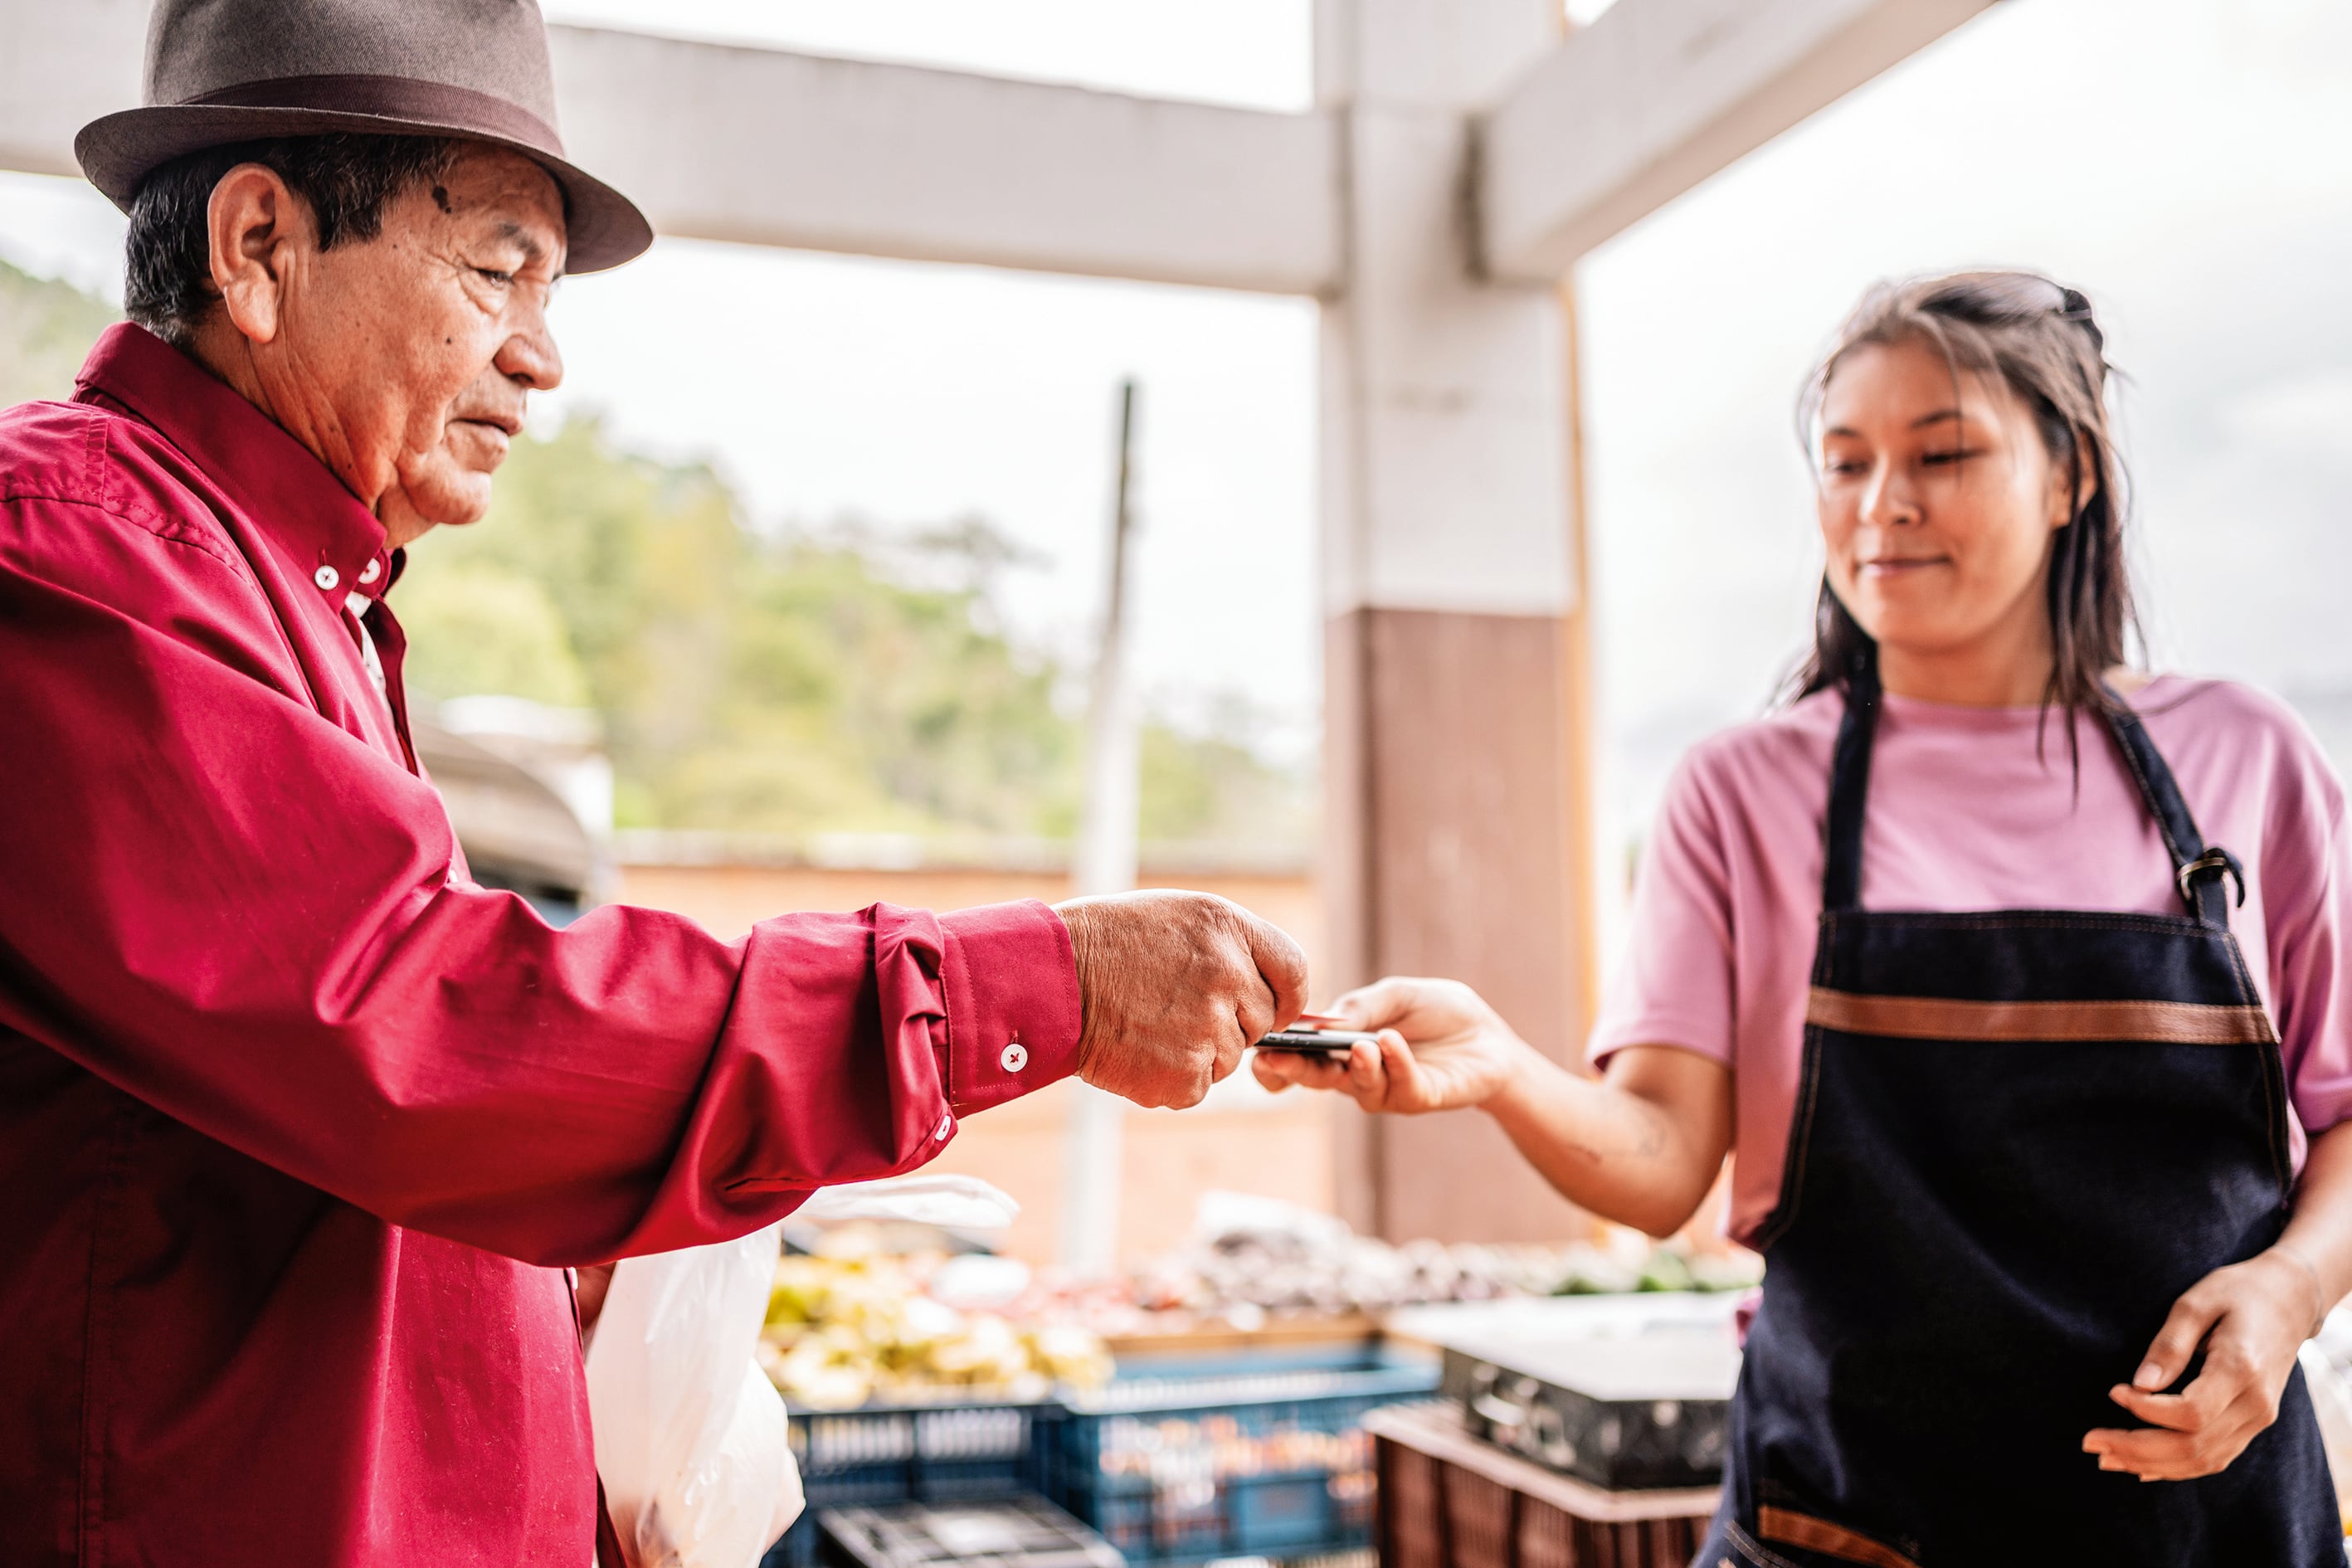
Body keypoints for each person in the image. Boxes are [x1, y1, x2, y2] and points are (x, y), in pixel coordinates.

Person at [0, 4, 1307, 1566]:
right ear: (262, 243)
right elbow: (422, 1028)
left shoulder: (301, 588)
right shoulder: (77, 555)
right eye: (497, 269)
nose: (545, 358)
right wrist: (1038, 982)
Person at [1259, 271, 2352, 1564]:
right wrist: (1502, 1069)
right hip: (1848, 1522)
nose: (1882, 503)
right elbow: (1665, 1157)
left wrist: (2288, 1293)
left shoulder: (2245, 758)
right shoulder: (1745, 790)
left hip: (2201, 1525)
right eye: (1844, 463)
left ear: (2072, 480)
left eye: (1942, 455)